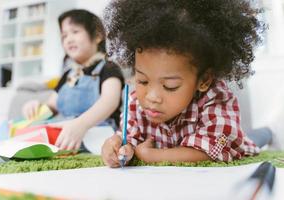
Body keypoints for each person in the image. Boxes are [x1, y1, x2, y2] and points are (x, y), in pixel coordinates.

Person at [101, 0, 265, 167]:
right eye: (142, 80)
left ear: (204, 80)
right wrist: (115, 147)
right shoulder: (135, 102)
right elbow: (128, 139)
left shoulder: (215, 99)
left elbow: (211, 151)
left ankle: (267, 132)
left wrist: (151, 155)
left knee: (256, 138)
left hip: (237, 141)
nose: (151, 97)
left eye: (170, 86)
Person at [23, 9, 124, 151]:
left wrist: (81, 124)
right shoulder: (68, 74)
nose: (68, 39)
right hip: (68, 138)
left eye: (75, 32)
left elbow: (109, 101)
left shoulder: (108, 68)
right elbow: (51, 107)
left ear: (97, 35)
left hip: (102, 138)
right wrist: (36, 106)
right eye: (64, 36)